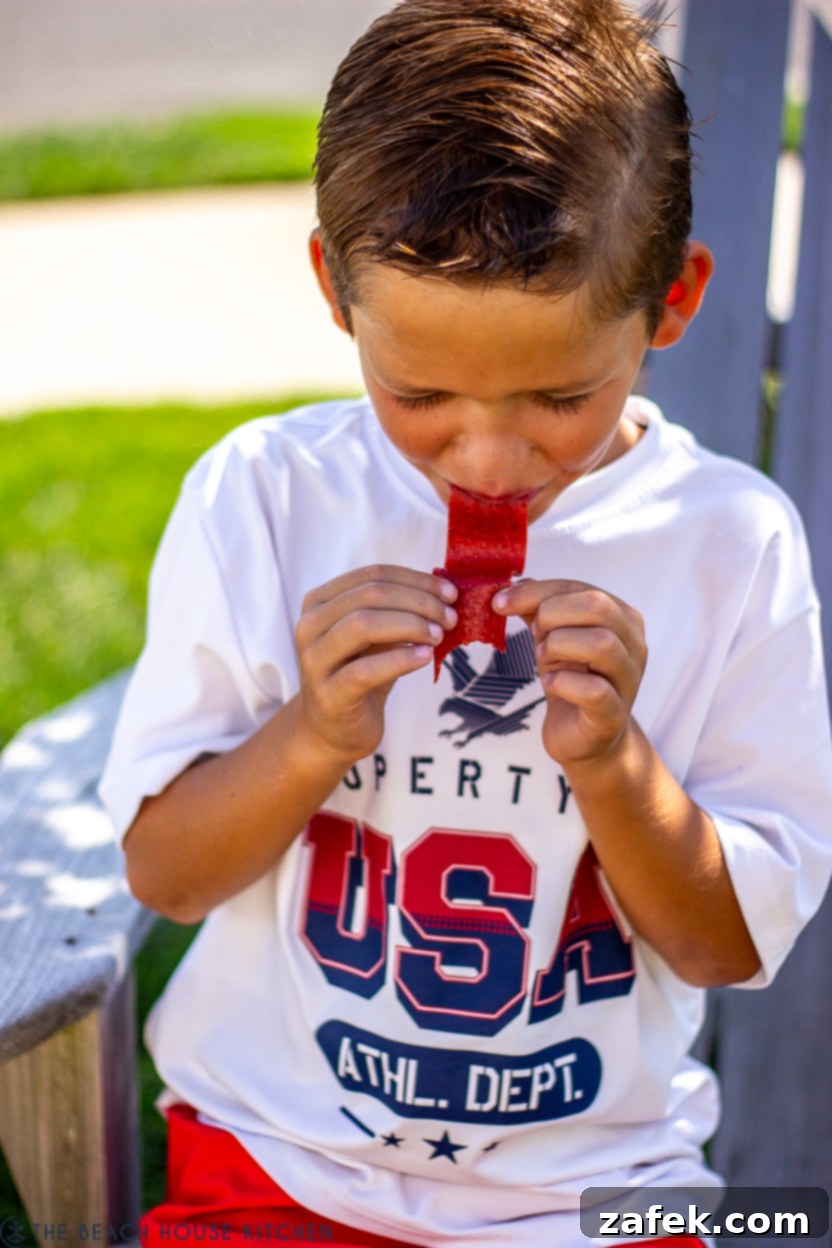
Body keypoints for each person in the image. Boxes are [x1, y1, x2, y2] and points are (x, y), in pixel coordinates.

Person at [99, 0, 832, 1244]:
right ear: (335, 293)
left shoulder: (730, 544)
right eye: (418, 392)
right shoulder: (269, 499)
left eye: (559, 395)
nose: (486, 456)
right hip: (276, 1162)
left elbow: (719, 945)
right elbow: (165, 872)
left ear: (670, 303)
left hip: (603, 1192)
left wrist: (616, 764)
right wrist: (313, 733)